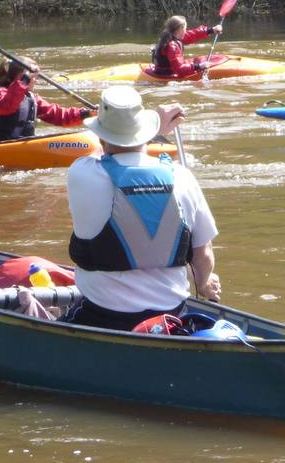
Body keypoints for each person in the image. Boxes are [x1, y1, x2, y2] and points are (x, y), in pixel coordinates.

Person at [65, 86, 220, 331]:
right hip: (171, 320)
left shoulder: (82, 173)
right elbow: (203, 255)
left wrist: (153, 132)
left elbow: (102, 152)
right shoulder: (182, 176)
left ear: (101, 136)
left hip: (102, 317)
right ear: (143, 134)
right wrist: (203, 283)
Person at [0, 58, 94, 142]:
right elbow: (9, 104)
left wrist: (87, 114)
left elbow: (57, 115)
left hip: (23, 146)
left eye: (35, 76)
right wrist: (25, 80)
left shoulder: (32, 98)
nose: (35, 79)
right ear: (15, 77)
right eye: (31, 75)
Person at [151, 15, 223, 78]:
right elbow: (179, 69)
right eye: (185, 29)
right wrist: (199, 66)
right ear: (180, 29)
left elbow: (192, 34)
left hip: (163, 69)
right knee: (200, 63)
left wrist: (211, 30)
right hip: (167, 74)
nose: (186, 31)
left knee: (205, 59)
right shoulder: (172, 46)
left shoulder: (170, 35)